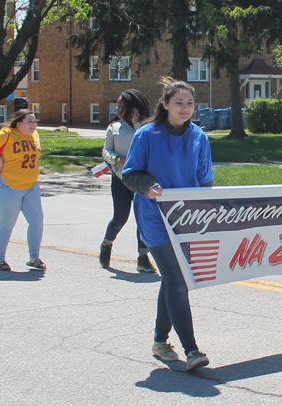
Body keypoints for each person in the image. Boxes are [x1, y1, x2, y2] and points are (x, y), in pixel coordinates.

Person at [122, 77, 214, 371]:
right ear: (165, 105)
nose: (185, 108)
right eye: (179, 102)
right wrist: (147, 185)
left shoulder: (199, 136)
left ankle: (160, 342)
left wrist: (207, 216)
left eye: (189, 103)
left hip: (187, 220)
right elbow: (130, 173)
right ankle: (192, 350)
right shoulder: (147, 135)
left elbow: (205, 183)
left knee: (174, 280)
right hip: (154, 218)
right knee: (178, 279)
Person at [0, 109, 46, 271]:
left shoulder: (35, 135)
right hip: (9, 186)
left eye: (34, 120)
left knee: (37, 221)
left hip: (31, 186)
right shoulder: (7, 134)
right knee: (7, 224)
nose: (33, 124)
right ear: (19, 123)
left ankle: (34, 258)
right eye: (29, 121)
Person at [99, 89, 155, 273]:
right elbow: (105, 151)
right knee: (120, 217)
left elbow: (148, 145)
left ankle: (143, 257)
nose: (117, 108)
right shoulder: (114, 127)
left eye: (122, 106)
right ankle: (107, 244)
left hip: (141, 180)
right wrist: (116, 159)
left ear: (132, 108)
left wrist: (137, 123)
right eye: (118, 105)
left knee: (143, 219)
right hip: (121, 179)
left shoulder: (146, 127)